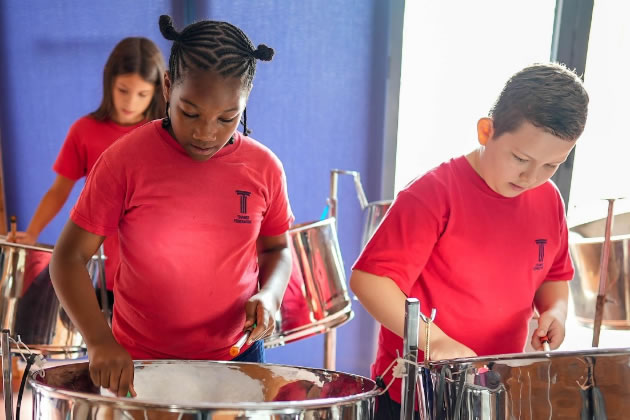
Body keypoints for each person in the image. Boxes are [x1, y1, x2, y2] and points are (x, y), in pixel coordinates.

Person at [50, 15, 293, 398]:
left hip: (238, 358)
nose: (205, 132)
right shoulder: (123, 161)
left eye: (227, 118)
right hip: (142, 363)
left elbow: (277, 248)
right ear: (167, 86)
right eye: (190, 112)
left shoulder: (264, 168)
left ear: (245, 103)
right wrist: (98, 340)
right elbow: (67, 258)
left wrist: (271, 295)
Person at [350, 62, 589, 419]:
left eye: (551, 165)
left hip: (494, 390)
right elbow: (370, 280)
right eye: (520, 158)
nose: (530, 176)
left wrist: (554, 312)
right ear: (486, 131)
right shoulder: (433, 194)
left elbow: (554, 275)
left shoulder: (548, 199)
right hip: (417, 395)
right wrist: (438, 341)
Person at [10, 37, 166, 307]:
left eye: (142, 94)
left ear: (157, 91)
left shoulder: (163, 133)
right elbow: (59, 191)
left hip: (159, 268)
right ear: (109, 82)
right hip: (105, 271)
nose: (130, 102)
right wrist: (33, 232)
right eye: (123, 90)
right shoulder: (84, 131)